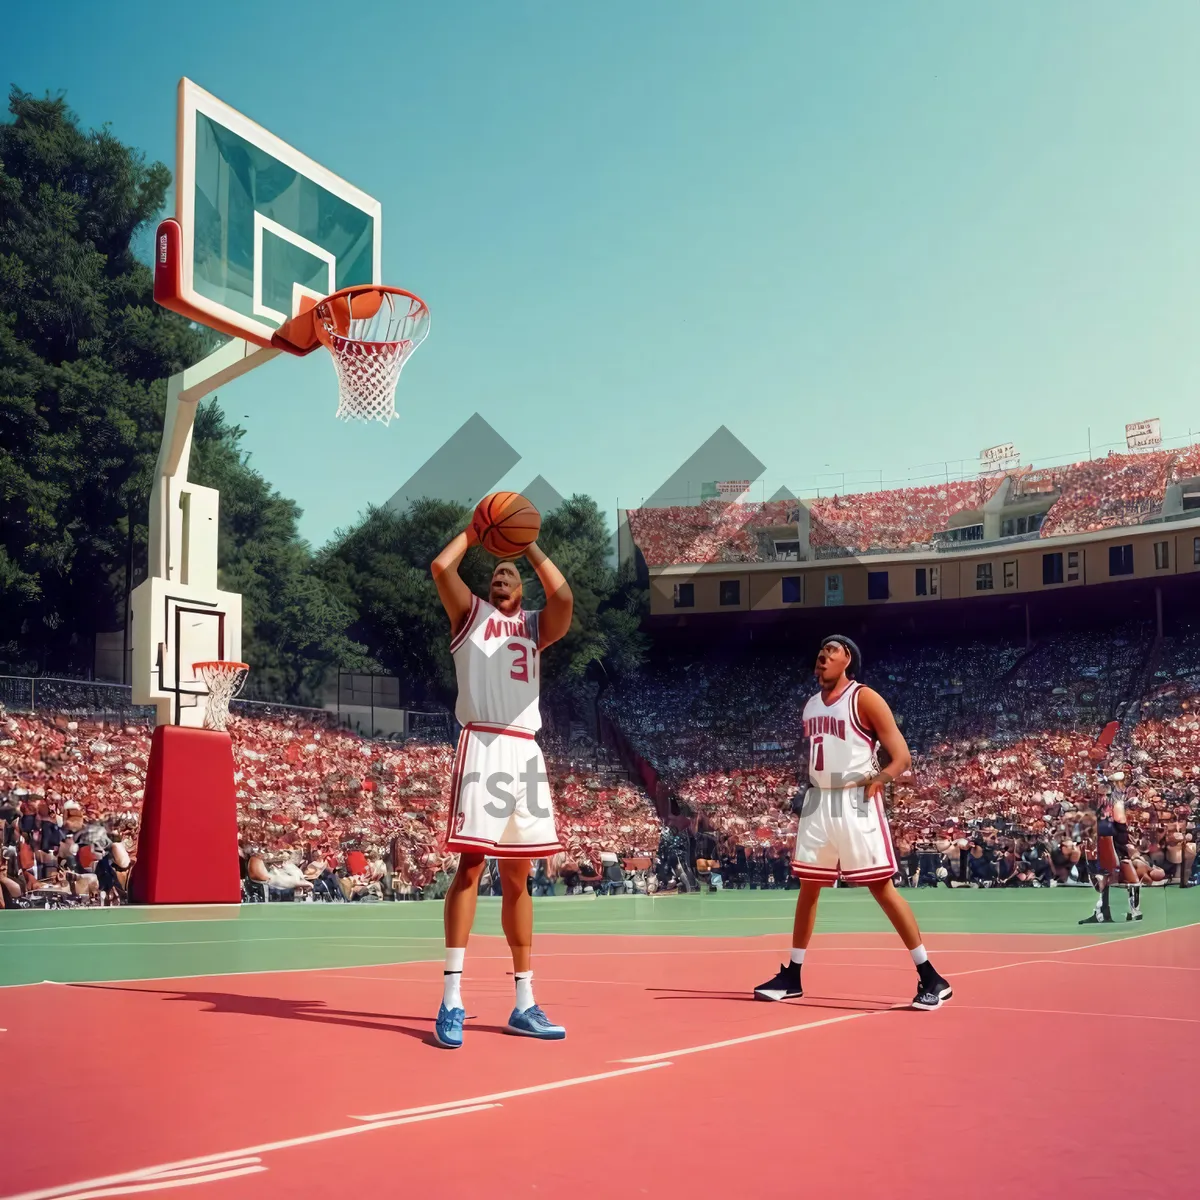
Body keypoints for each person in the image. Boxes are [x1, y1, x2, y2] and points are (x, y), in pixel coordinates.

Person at [430, 522, 573, 1049]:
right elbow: (441, 568)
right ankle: (451, 1000)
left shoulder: (536, 626)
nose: (500, 576)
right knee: (470, 866)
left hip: (525, 751)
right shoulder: (471, 615)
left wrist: (526, 543)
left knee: (519, 878)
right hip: (484, 744)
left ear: (523, 586)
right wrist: (476, 530)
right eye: (494, 572)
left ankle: (524, 1002)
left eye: (509, 571)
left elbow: (564, 596)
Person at [754, 636, 953, 1011]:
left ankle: (931, 976)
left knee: (881, 887)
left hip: (853, 798)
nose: (823, 656)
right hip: (818, 799)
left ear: (847, 658)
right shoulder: (811, 706)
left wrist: (878, 781)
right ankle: (793, 976)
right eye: (819, 653)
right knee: (809, 886)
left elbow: (902, 756)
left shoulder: (864, 698)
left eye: (831, 650)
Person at [1080, 789, 1140, 923]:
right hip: (1108, 850)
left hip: (1114, 851)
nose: (1103, 798)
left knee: (1118, 880)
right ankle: (1104, 912)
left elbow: (1112, 830)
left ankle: (1123, 911)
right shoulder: (1104, 814)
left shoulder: (1115, 815)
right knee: (1108, 881)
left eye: (1105, 795)